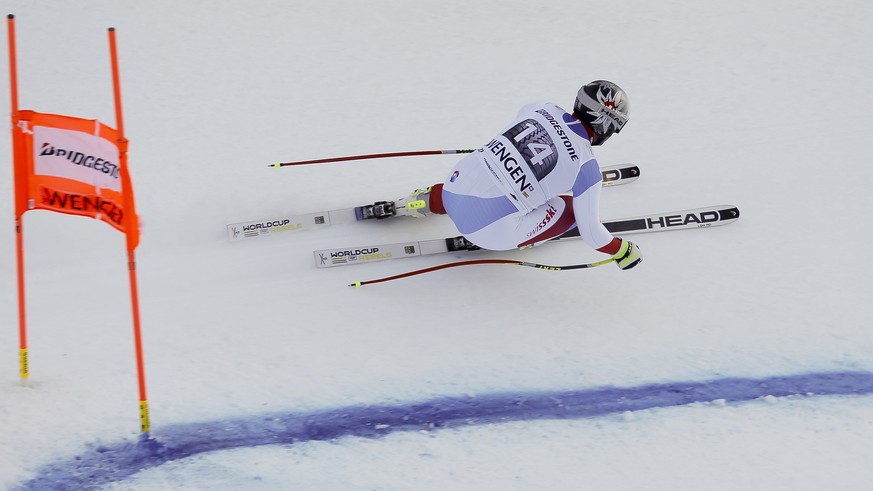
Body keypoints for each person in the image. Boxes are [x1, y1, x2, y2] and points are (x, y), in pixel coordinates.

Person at [395, 80, 642, 270]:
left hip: (452, 188)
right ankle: (528, 237)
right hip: (485, 233)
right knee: (569, 209)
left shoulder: (542, 106)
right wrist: (621, 251)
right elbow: (592, 233)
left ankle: (426, 201)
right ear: (606, 124)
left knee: (487, 171)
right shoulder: (588, 169)